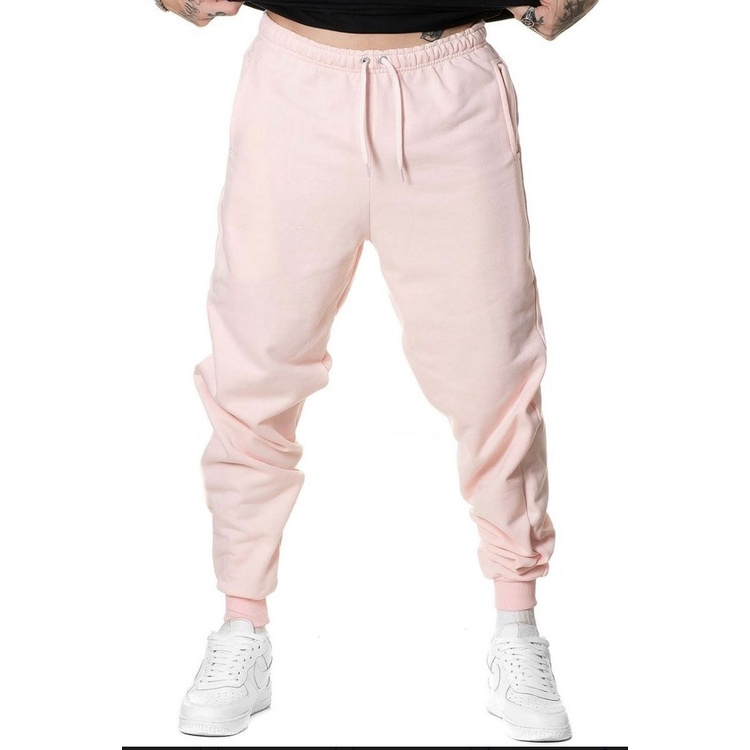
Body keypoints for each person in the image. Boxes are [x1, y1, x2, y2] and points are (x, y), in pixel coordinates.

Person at [157, 0, 599, 741]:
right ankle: (241, 623)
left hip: (449, 81)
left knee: (493, 370)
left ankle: (517, 623)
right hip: (296, 78)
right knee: (253, 365)